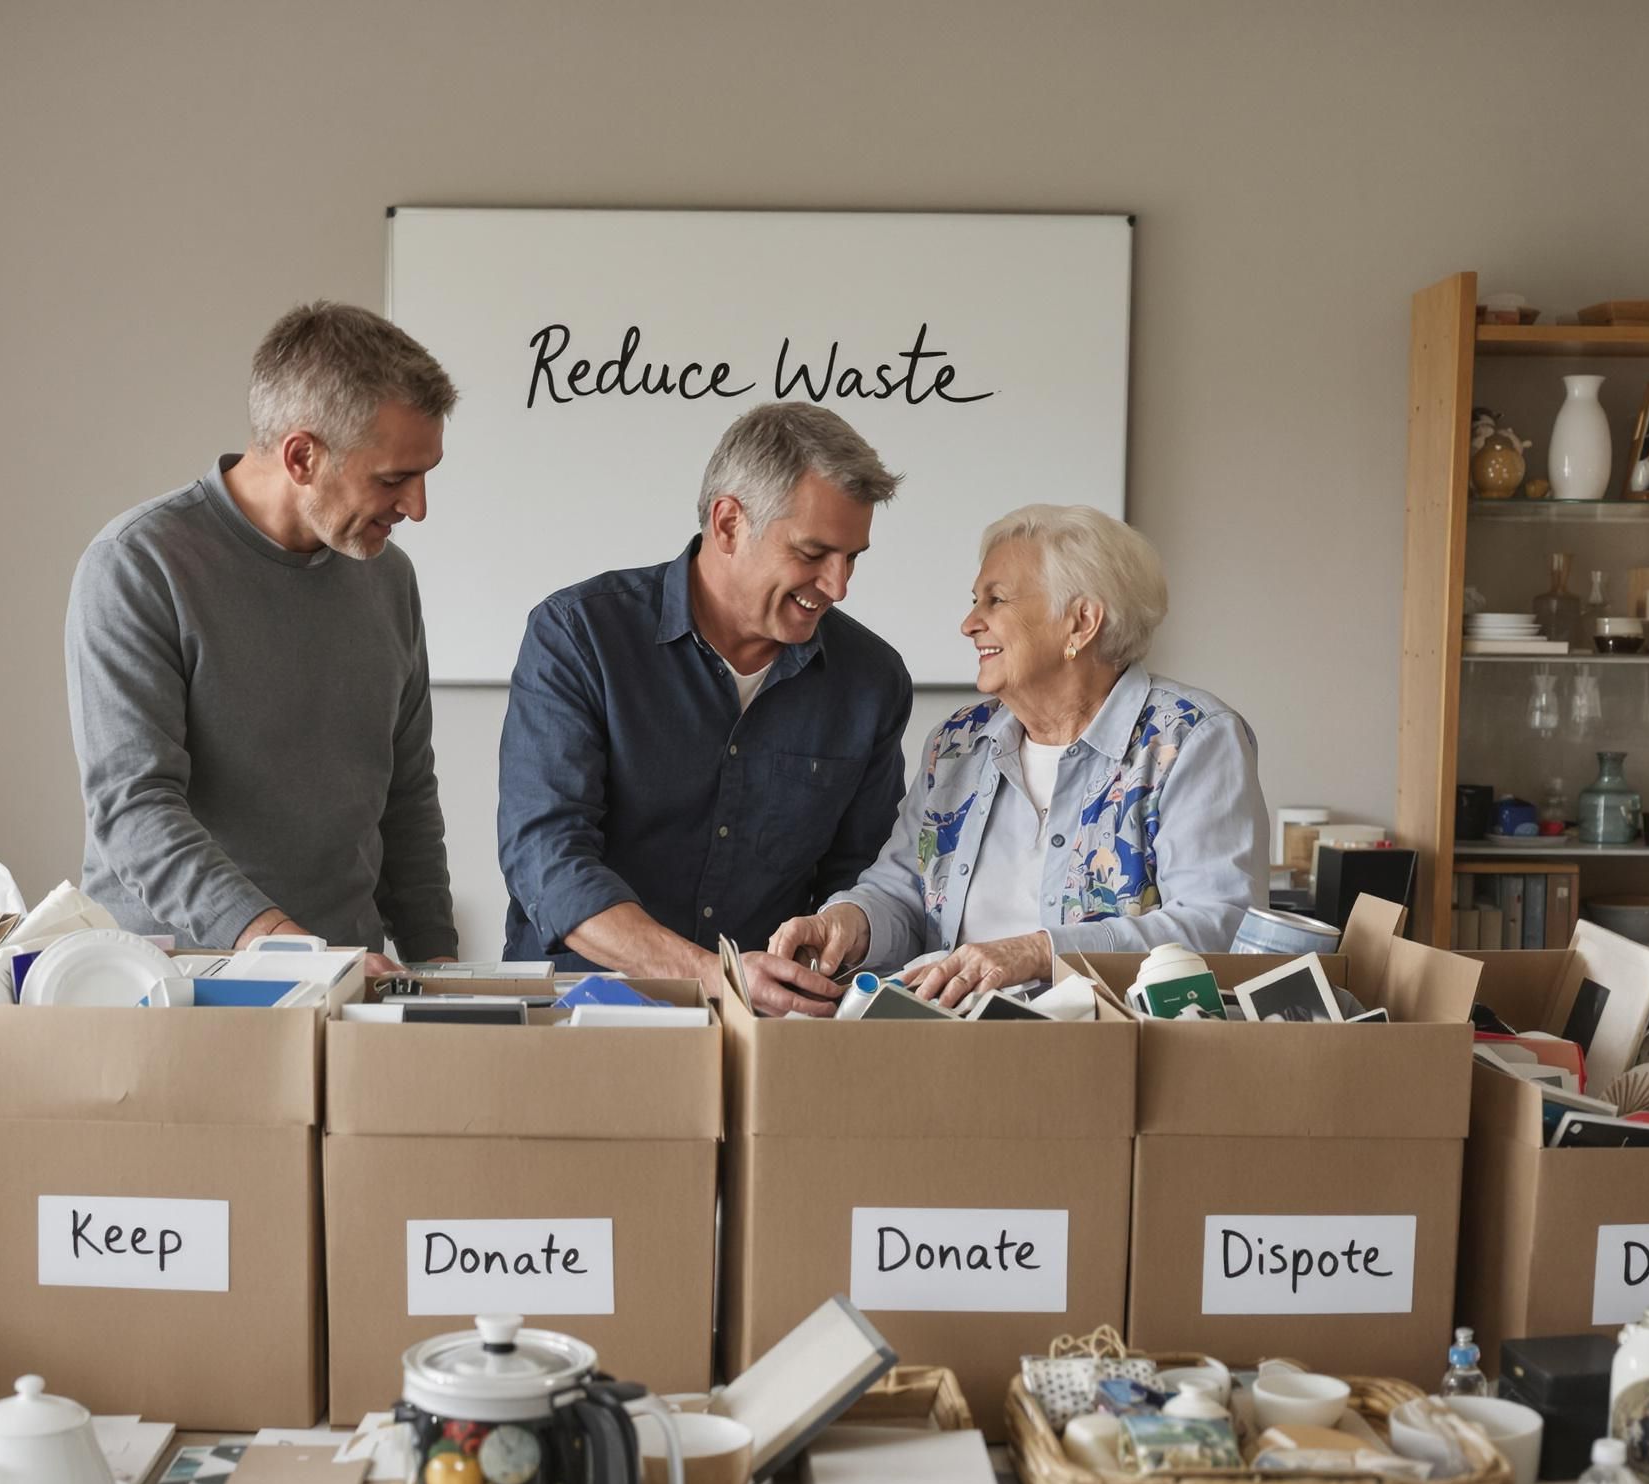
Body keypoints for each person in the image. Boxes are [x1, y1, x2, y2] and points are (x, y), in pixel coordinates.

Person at [67, 302, 460, 972]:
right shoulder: (139, 565)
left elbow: (407, 801)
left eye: (426, 475)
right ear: (302, 455)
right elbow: (134, 808)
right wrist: (286, 949)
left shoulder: (388, 578)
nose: (418, 507)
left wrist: (441, 972)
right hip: (179, 987)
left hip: (346, 983)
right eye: (394, 479)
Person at [497, 403, 913, 1014]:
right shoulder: (580, 635)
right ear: (727, 524)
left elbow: (862, 881)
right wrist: (713, 975)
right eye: (813, 552)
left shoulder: (871, 680)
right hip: (581, 1019)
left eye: (852, 558)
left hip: (773, 1033)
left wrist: (838, 944)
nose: (838, 585)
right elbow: (547, 861)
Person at [770, 504, 1269, 1007]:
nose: (969, 623)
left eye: (996, 600)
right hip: (948, 1045)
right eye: (974, 600)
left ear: (1081, 622)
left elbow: (1221, 925)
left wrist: (1037, 953)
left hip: (1107, 1054)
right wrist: (846, 922)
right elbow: (902, 892)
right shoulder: (956, 744)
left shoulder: (1190, 740)